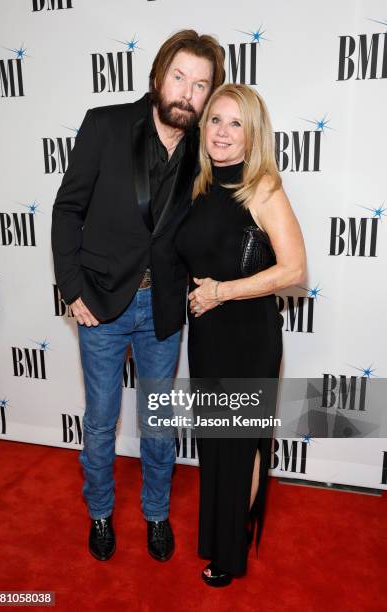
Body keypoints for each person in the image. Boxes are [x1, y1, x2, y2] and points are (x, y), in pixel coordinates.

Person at [51, 30, 225, 563]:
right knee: (102, 419)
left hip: (164, 310)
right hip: (101, 303)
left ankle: (156, 515)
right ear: (157, 76)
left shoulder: (205, 149)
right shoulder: (105, 124)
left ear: (208, 95)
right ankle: (100, 513)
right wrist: (72, 289)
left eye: (200, 86)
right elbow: (67, 211)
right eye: (179, 77)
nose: (186, 93)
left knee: (157, 424)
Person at [176, 83, 306, 586]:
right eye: (215, 120)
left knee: (238, 445)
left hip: (248, 337)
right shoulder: (200, 184)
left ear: (253, 137)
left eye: (236, 124)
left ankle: (229, 552)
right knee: (217, 445)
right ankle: (227, 530)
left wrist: (221, 292)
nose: (222, 133)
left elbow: (295, 269)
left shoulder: (263, 188)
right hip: (207, 336)